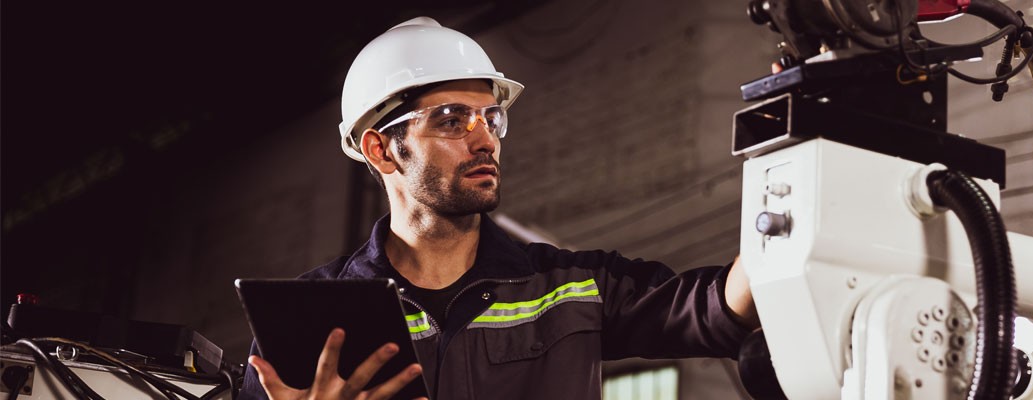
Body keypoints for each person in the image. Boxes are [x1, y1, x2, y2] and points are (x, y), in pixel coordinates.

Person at [241, 16, 758, 400]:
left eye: (490, 119)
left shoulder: (573, 288)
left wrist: (792, 162)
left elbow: (718, 308)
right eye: (452, 120)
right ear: (381, 150)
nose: (485, 139)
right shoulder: (305, 317)